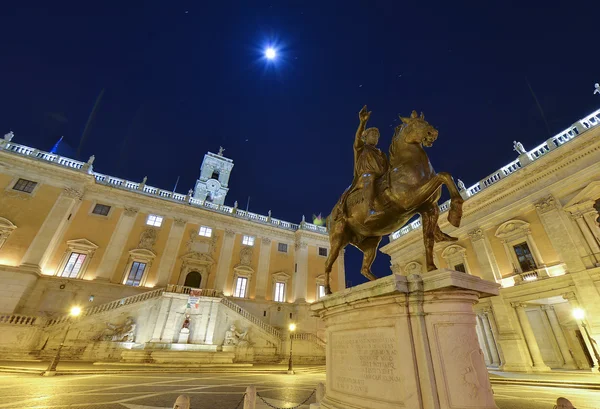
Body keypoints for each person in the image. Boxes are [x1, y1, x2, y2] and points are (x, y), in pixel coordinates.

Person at [341, 105, 388, 223]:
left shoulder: (381, 154)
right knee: (369, 177)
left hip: (380, 177)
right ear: (365, 137)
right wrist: (363, 123)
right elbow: (357, 138)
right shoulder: (361, 148)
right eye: (373, 135)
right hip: (364, 177)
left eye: (377, 136)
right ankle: (369, 210)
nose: (376, 138)